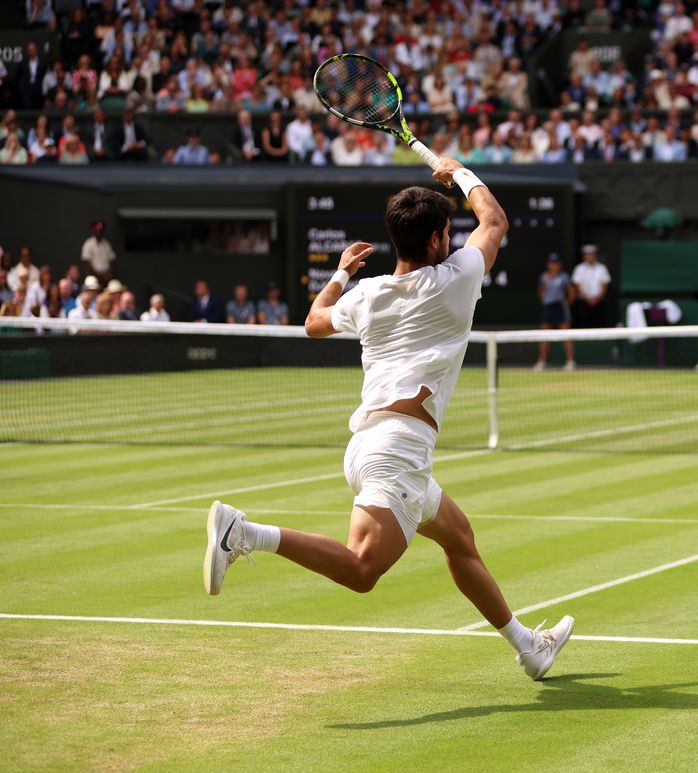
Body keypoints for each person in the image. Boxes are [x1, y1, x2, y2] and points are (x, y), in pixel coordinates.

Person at [202, 157, 574, 681]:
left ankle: (529, 647)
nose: (453, 237)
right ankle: (244, 533)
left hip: (376, 448)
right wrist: (460, 172)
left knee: (459, 540)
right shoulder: (456, 280)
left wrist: (338, 275)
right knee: (361, 570)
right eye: (446, 231)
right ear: (434, 242)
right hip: (396, 452)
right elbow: (493, 221)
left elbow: (313, 323)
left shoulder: (368, 294)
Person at [534, 255, 576, 370]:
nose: (554, 265)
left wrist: (567, 303)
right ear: (548, 264)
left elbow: (571, 292)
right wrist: (546, 300)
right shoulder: (544, 277)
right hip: (548, 307)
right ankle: (542, 362)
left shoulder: (564, 277)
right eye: (552, 263)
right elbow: (541, 291)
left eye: (556, 262)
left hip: (561, 307)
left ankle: (570, 362)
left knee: (566, 335)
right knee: (544, 336)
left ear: (559, 264)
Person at [570, 244, 610, 328]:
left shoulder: (602, 268)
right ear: (584, 256)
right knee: (583, 324)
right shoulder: (579, 268)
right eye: (587, 254)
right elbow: (577, 285)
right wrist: (587, 298)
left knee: (599, 325)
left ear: (595, 255)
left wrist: (597, 298)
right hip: (583, 303)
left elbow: (605, 284)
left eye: (592, 254)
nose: (590, 256)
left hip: (598, 303)